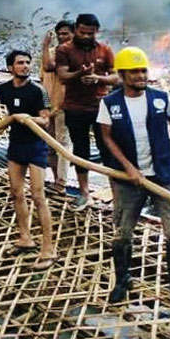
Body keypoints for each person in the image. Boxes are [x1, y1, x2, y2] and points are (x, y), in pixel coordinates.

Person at [97, 47, 170, 309]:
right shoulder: (110, 103)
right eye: (134, 71)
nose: (140, 75)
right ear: (122, 75)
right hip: (128, 180)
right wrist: (128, 168)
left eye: (143, 70)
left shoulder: (160, 98)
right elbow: (106, 137)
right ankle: (122, 281)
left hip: (163, 176)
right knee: (123, 234)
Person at [0, 50, 56, 270]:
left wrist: (28, 118)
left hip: (35, 146)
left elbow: (46, 121)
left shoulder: (37, 91)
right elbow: (7, 113)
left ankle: (48, 248)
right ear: (10, 67)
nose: (24, 66)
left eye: (27, 63)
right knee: (16, 192)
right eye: (20, 63)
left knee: (38, 195)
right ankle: (25, 238)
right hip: (16, 145)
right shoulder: (3, 89)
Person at [55, 13, 118, 210]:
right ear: (76, 30)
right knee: (80, 150)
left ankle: (115, 192)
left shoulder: (105, 50)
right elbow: (62, 75)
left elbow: (116, 77)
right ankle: (84, 192)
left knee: (108, 149)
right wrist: (80, 74)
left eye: (90, 33)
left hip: (101, 107)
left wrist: (98, 79)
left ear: (96, 31)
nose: (86, 36)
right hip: (75, 107)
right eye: (83, 32)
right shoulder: (64, 49)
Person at [41, 20, 74, 190]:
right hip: (47, 106)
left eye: (66, 33)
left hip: (64, 106)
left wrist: (44, 46)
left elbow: (50, 68)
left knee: (63, 143)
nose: (62, 37)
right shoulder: (51, 52)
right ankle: (55, 180)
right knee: (50, 144)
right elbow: (44, 75)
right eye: (59, 34)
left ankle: (61, 183)